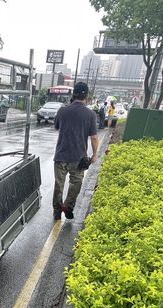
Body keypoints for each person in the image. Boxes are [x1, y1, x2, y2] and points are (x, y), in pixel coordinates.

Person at [52, 82, 99, 221]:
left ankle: (56, 211)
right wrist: (95, 155)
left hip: (60, 156)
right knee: (76, 184)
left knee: (59, 185)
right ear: (87, 96)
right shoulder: (90, 114)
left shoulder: (62, 110)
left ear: (74, 94)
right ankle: (68, 207)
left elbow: (57, 127)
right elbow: (94, 137)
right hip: (78, 159)